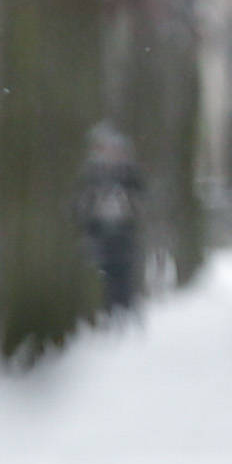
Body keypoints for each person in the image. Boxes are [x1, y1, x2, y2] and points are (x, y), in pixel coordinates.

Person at [75, 122, 147, 318]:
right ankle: (109, 312)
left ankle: (124, 310)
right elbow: (83, 204)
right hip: (101, 232)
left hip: (123, 231)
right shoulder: (92, 173)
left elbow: (139, 201)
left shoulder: (129, 174)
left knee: (123, 273)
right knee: (106, 274)